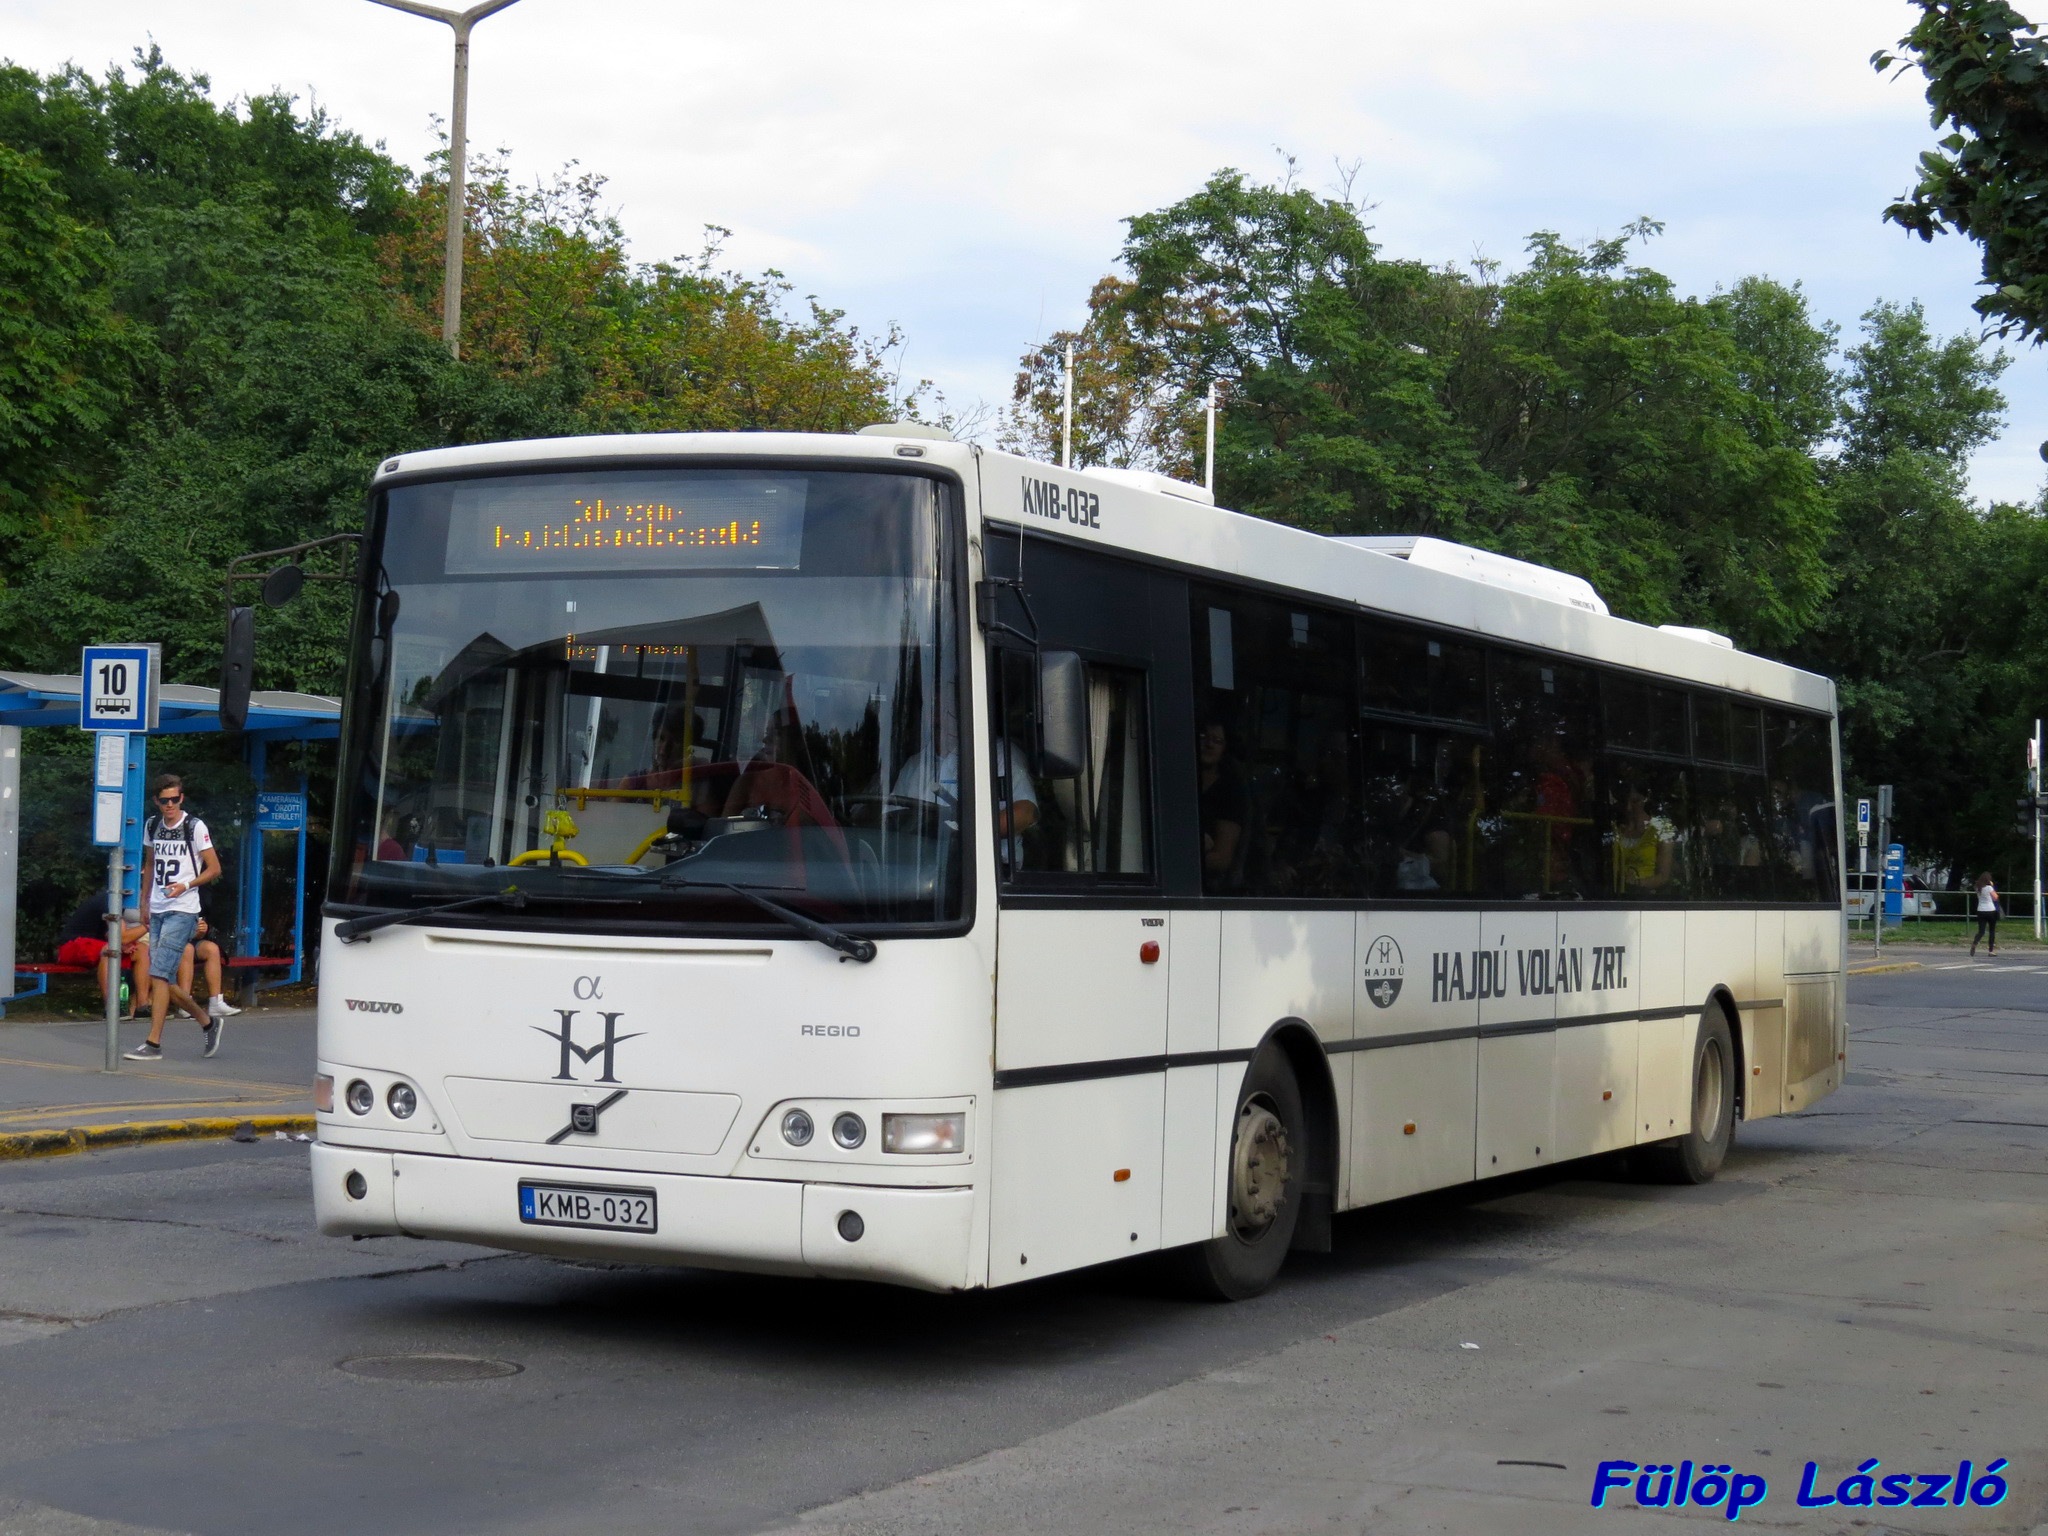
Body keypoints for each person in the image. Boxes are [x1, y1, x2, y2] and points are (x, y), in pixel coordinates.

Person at [125, 774, 226, 1061]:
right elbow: (149, 863)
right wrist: (144, 901)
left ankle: (153, 1043)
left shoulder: (194, 826)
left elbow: (214, 868)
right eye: (164, 800)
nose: (170, 805)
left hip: (183, 910)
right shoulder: (152, 825)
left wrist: (187, 884)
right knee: (163, 978)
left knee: (158, 974)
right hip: (158, 909)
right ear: (156, 801)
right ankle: (207, 1022)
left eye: (174, 799)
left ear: (182, 798)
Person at [55, 898, 148, 1020]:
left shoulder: (122, 904)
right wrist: (150, 924)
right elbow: (122, 937)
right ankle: (111, 1007)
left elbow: (112, 934)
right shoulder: (110, 900)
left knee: (142, 949)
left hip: (96, 945)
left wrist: (124, 944)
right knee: (110, 950)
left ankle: (142, 1007)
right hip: (72, 946)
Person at [1197, 719, 1247, 889]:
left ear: (1225, 748)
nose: (1209, 744)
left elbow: (1222, 859)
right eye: (1203, 737)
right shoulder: (1177, 781)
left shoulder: (1230, 791)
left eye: (1217, 741)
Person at [177, 913, 241, 1020]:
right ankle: (185, 1003)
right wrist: (190, 932)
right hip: (169, 943)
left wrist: (202, 931)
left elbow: (199, 933)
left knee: (211, 949)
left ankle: (216, 1002)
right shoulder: (166, 905)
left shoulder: (195, 906)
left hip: (189, 940)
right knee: (187, 949)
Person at [1971, 871, 2000, 956]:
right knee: (1992, 931)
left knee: (1981, 931)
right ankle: (1991, 951)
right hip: (1990, 910)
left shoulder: (1977, 888)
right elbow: (1995, 897)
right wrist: (1992, 886)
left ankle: (1974, 943)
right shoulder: (1989, 888)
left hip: (1980, 910)